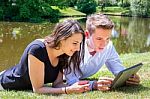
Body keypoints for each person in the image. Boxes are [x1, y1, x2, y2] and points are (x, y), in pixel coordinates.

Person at [0, 19, 90, 94]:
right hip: (4, 83)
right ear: (62, 39)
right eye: (75, 43)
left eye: (79, 44)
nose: (78, 49)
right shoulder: (37, 49)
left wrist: (75, 87)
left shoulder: (63, 54)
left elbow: (57, 84)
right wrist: (67, 90)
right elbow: (38, 89)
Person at [65, 13, 140, 91]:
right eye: (99, 39)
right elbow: (71, 81)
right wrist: (93, 85)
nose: (104, 44)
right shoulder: (74, 47)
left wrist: (128, 78)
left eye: (107, 38)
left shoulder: (109, 47)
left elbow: (118, 70)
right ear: (87, 34)